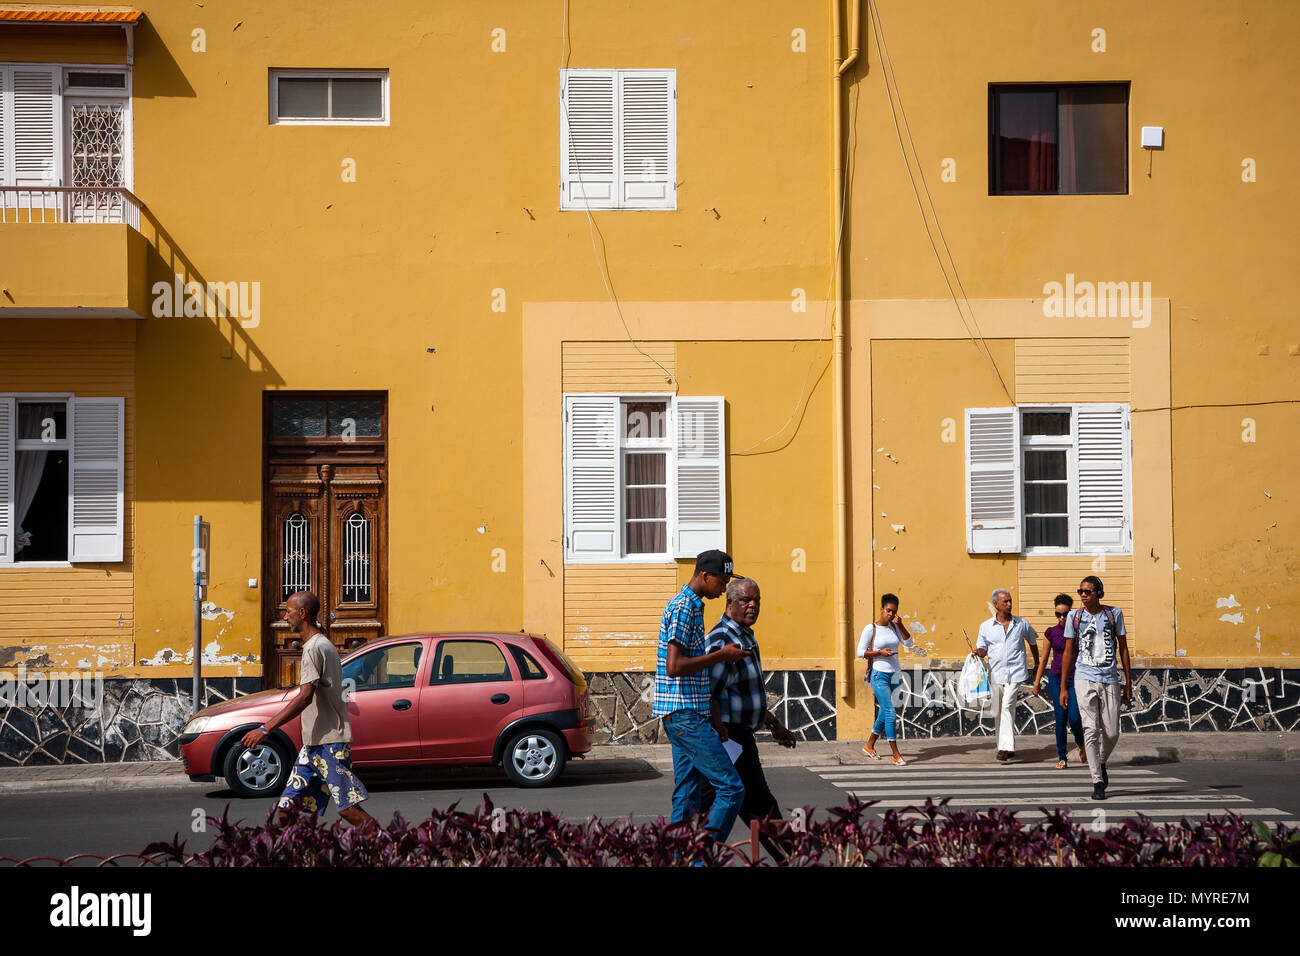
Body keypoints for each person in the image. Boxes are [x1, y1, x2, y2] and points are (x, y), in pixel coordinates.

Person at [241, 591, 378, 833]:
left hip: (329, 744)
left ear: (302, 614)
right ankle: (300, 854)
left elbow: (305, 696)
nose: (285, 617)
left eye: (288, 612)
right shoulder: (318, 644)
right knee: (287, 808)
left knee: (347, 808)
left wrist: (265, 728)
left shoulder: (315, 648)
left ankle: (392, 848)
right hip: (313, 745)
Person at [652, 549, 751, 841]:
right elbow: (675, 666)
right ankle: (701, 857)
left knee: (687, 796)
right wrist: (721, 655)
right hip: (685, 715)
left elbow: (690, 670)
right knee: (732, 788)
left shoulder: (690, 605)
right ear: (705, 576)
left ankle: (678, 858)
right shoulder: (685, 607)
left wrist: (712, 717)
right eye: (721, 582)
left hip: (689, 713)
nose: (724, 589)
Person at [703, 576, 797, 858]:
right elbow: (710, 693)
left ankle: (690, 854)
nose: (753, 606)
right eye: (746, 600)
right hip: (728, 736)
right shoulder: (722, 640)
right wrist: (720, 731)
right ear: (730, 602)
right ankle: (791, 856)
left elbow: (742, 694)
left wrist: (773, 723)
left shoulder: (745, 636)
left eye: (757, 600)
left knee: (718, 800)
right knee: (757, 802)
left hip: (738, 732)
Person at [1060, 575, 1132, 800]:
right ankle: (1097, 781)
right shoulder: (1074, 616)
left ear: (1098, 593)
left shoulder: (1114, 614)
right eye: (1080, 591)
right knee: (1090, 730)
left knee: (1111, 732)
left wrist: (1129, 682)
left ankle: (1101, 762)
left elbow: (1123, 648)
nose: (1083, 595)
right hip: (1083, 678)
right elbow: (1069, 652)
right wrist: (1064, 686)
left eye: (1088, 591)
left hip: (1109, 678)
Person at [973, 588, 1040, 762]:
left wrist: (1037, 662)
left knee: (1007, 706)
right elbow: (983, 648)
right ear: (996, 604)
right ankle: (1005, 745)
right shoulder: (986, 626)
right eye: (1005, 602)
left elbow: (1032, 641)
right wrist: (979, 652)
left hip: (1016, 672)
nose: (1010, 604)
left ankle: (1005, 747)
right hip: (996, 673)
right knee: (999, 711)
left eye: (1010, 601)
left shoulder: (1021, 623)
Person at [1028, 593, 1086, 769]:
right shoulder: (1051, 632)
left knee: (1075, 718)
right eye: (1058, 614)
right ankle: (1062, 757)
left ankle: (1081, 743)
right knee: (1060, 718)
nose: (1062, 617)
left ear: (1072, 612)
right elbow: (1044, 659)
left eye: (1065, 613)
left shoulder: (1080, 631)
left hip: (1076, 679)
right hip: (1055, 678)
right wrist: (1037, 682)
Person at [857, 592, 914, 766]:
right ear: (882, 609)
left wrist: (901, 625)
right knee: (890, 712)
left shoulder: (894, 627)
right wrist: (879, 653)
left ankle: (869, 746)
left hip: (895, 675)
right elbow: (860, 652)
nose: (890, 614)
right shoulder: (871, 629)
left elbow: (909, 643)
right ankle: (896, 754)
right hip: (878, 674)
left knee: (883, 712)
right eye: (888, 610)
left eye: (894, 612)